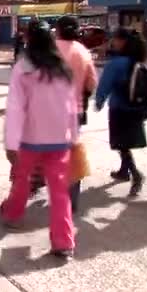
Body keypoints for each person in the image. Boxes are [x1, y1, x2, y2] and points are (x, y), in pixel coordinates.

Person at [0, 20, 78, 260]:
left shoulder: (24, 67)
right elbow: (72, 107)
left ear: (29, 39)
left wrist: (11, 143)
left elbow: (15, 108)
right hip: (59, 140)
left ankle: (13, 215)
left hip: (30, 139)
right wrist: (73, 136)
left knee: (22, 180)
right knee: (59, 191)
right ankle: (63, 242)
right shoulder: (62, 68)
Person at [95, 28, 147, 197]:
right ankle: (123, 171)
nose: (113, 42)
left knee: (120, 144)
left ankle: (136, 174)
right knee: (125, 142)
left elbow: (105, 85)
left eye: (115, 39)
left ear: (122, 42)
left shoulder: (116, 63)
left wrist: (99, 101)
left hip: (119, 108)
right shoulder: (140, 62)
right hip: (136, 109)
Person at [55, 16, 98, 213]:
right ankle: (71, 201)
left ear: (58, 30)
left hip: (48, 112)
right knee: (72, 155)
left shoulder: (48, 50)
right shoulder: (83, 52)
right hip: (75, 112)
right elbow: (91, 84)